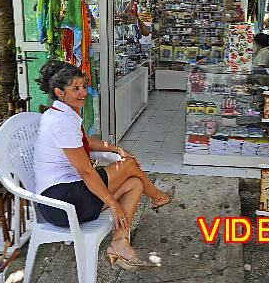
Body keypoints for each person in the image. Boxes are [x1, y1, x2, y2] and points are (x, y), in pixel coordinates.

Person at [34, 59, 173, 270]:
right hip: (62, 203)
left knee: (135, 183)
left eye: (83, 87)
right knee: (127, 166)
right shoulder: (61, 122)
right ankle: (157, 196)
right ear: (59, 92)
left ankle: (119, 243)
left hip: (69, 197)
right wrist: (113, 203)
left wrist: (114, 149)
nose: (83, 93)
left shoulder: (62, 114)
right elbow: (86, 171)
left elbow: (85, 142)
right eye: (75, 89)